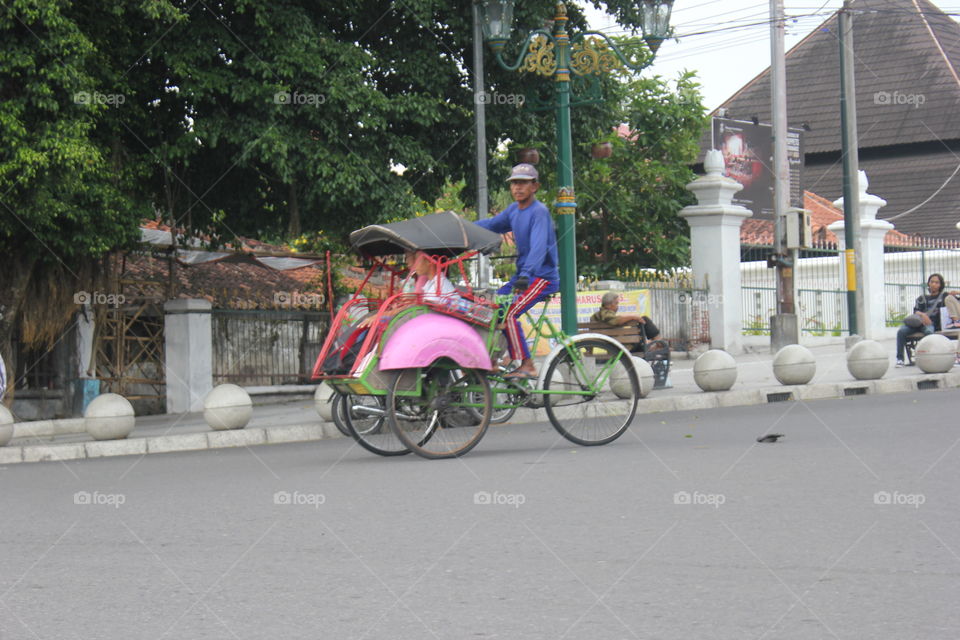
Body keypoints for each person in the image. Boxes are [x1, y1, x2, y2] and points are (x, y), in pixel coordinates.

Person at [475, 163, 560, 379]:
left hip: (542, 277)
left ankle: (527, 364)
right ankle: (495, 358)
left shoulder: (539, 212)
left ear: (535, 186)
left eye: (523, 183)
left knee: (510, 313)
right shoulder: (514, 210)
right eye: (514, 183)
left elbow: (539, 246)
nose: (517, 188)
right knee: (491, 307)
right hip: (523, 276)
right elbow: (493, 224)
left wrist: (526, 273)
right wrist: (465, 226)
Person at [896, 273, 947, 366]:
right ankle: (900, 359)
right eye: (932, 282)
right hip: (918, 323)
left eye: (937, 282)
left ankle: (928, 357)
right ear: (928, 283)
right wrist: (923, 315)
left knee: (929, 332)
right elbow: (916, 310)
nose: (934, 284)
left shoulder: (944, 297)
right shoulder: (922, 298)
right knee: (901, 331)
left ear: (941, 285)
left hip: (931, 324)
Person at [591, 292, 661, 345]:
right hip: (623, 345)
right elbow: (615, 321)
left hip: (617, 342)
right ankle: (659, 343)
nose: (617, 306)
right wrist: (634, 317)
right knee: (644, 319)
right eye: (616, 303)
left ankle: (657, 343)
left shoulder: (598, 315)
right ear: (610, 304)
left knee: (641, 324)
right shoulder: (604, 313)